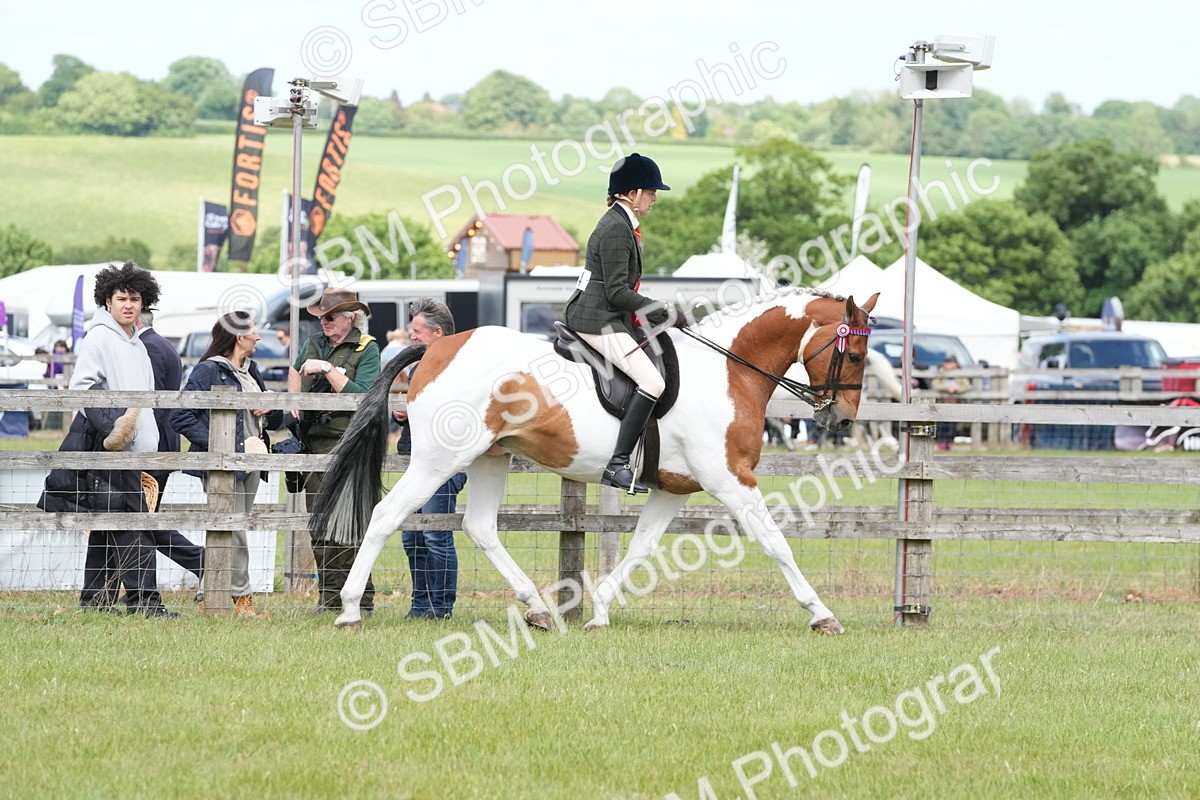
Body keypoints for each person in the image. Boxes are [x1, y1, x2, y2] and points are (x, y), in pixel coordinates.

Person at [60, 262, 173, 616]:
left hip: (133, 452)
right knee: (134, 525)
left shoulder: (137, 345)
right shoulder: (98, 337)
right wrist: (114, 431)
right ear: (107, 300)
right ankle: (144, 602)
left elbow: (146, 400)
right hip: (108, 448)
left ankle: (96, 601)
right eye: (121, 298)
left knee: (109, 524)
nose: (128, 305)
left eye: (134, 299)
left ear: (143, 303)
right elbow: (83, 387)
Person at [564, 152, 678, 493]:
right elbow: (616, 292)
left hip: (608, 313)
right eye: (651, 192)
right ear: (632, 193)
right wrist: (659, 309)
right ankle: (617, 464)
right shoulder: (616, 228)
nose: (655, 198)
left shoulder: (622, 223)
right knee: (653, 382)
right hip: (597, 318)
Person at [170, 311, 283, 618]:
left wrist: (270, 408)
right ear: (238, 337)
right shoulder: (208, 370)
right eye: (253, 332)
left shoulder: (251, 371)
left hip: (252, 461)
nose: (258, 337)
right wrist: (221, 447)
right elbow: (180, 416)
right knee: (234, 532)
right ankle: (241, 599)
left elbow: (272, 420)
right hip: (224, 465)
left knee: (231, 530)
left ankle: (208, 595)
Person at [288, 288, 381, 613]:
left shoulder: (367, 348)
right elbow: (295, 370)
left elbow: (363, 397)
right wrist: (295, 401)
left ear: (349, 318)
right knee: (319, 524)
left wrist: (328, 370)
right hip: (313, 443)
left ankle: (361, 598)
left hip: (349, 444)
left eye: (330, 317)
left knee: (351, 524)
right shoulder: (314, 343)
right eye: (322, 317)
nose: (324, 322)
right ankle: (328, 597)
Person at [394, 298, 468, 620]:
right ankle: (420, 605)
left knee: (436, 534)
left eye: (418, 331)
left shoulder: (458, 367)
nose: (411, 336)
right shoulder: (418, 367)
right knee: (412, 535)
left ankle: (441, 608)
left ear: (438, 333)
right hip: (416, 460)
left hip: (443, 463)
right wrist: (404, 414)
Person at [137, 311, 205, 591]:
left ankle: (200, 560)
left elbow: (149, 402)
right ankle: (135, 586)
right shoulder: (162, 344)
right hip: (162, 441)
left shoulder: (149, 348)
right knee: (142, 518)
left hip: (154, 443)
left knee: (142, 519)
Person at [932, 355, 972, 451]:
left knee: (952, 424)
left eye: (950, 362)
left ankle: (948, 442)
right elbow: (935, 384)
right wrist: (947, 388)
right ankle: (941, 442)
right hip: (942, 402)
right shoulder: (940, 372)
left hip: (955, 402)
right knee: (942, 424)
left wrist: (957, 389)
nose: (948, 364)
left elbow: (966, 385)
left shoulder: (960, 373)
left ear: (955, 363)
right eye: (946, 362)